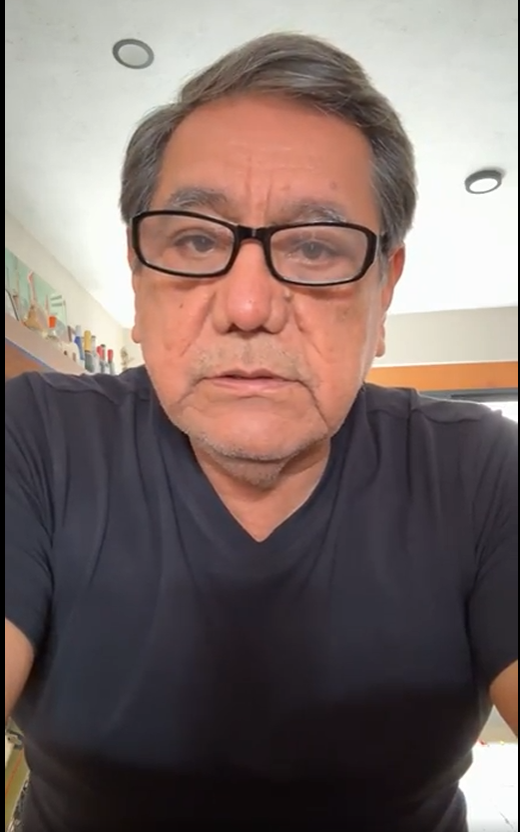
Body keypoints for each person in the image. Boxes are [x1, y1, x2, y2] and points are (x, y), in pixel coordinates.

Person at [5, 31, 517, 832]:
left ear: (384, 291)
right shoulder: (34, 439)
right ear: (139, 282)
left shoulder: (483, 469)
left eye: (314, 247)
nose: (248, 307)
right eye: (195, 239)